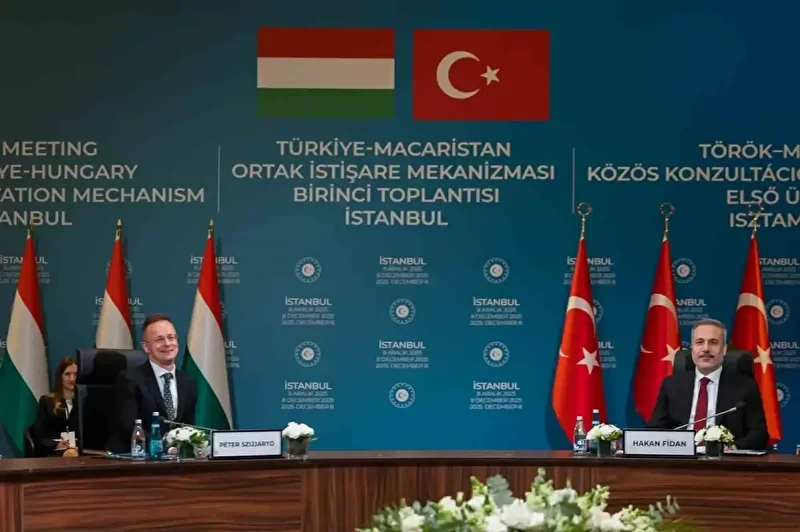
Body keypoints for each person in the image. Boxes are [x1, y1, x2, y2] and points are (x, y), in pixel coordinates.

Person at [648, 318, 768, 450]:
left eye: (713, 342)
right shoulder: (671, 385)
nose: (706, 349)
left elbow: (759, 435)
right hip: (680, 457)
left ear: (724, 349)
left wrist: (732, 447)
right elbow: (655, 430)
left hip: (724, 459)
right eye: (699, 342)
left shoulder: (745, 386)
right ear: (692, 348)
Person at [106, 313, 197, 453]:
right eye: (159, 339)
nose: (167, 344)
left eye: (171, 337)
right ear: (146, 347)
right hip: (137, 457)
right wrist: (165, 448)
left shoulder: (187, 382)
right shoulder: (129, 379)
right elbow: (129, 427)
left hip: (175, 459)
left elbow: (187, 426)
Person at [31, 357, 79, 456]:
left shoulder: (83, 403)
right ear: (60, 377)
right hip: (53, 451)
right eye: (67, 374)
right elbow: (39, 436)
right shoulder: (47, 401)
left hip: (79, 449)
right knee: (71, 454)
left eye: (75, 374)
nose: (72, 378)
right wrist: (57, 444)